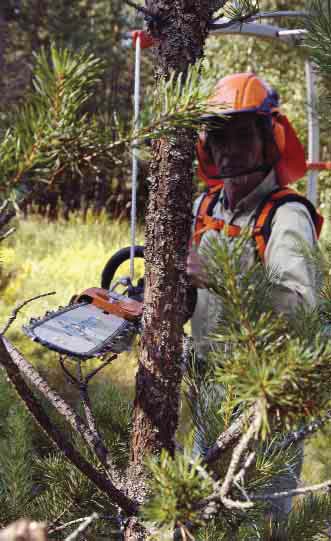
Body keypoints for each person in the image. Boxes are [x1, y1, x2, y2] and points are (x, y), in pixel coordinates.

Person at [186, 73, 323, 518]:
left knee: (258, 522)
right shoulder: (203, 208)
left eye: (242, 135)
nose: (229, 148)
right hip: (209, 390)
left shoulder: (285, 216)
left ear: (269, 139)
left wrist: (225, 275)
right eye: (219, 136)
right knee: (196, 515)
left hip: (268, 403)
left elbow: (303, 308)